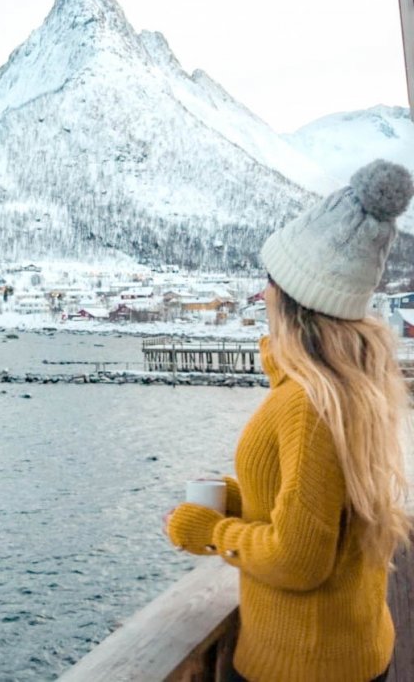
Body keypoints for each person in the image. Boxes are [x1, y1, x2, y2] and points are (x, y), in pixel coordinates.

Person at [165, 159, 414, 682]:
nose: (262, 295)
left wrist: (211, 530)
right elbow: (320, 508)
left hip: (300, 667)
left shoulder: (307, 404)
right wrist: (238, 495)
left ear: (294, 302)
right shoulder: (353, 390)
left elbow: (299, 560)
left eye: (270, 281)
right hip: (352, 653)